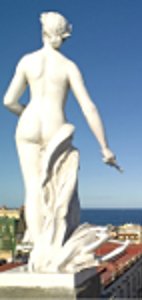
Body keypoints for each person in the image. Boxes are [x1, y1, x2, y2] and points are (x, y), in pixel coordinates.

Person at [3, 12, 119, 246]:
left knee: (34, 188)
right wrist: (104, 147)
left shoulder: (27, 61)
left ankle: (40, 251)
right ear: (63, 36)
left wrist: (25, 112)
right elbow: (89, 107)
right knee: (64, 189)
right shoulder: (68, 66)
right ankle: (54, 245)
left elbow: (8, 101)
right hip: (55, 127)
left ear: (43, 32)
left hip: (28, 123)